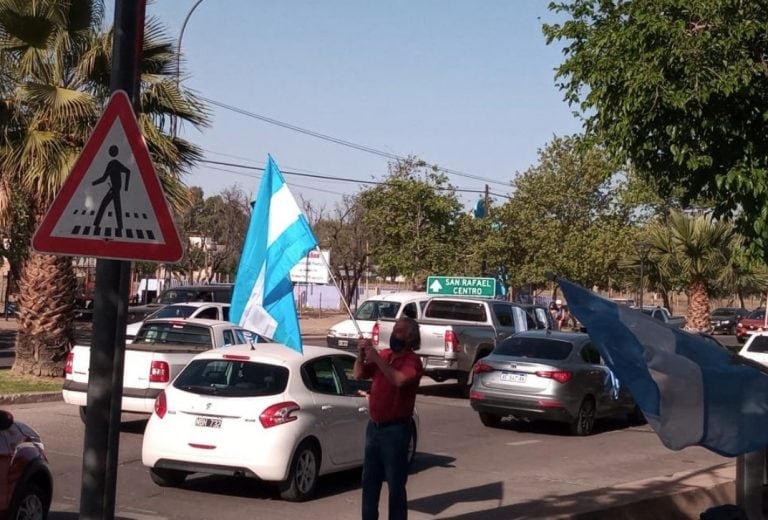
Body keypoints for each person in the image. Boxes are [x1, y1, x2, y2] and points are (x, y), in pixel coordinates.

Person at [354, 316, 423, 520]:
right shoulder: (385, 354)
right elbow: (358, 374)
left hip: (396, 430)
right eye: (394, 329)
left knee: (395, 485)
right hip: (374, 427)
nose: (394, 334)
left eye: (400, 331)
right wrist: (361, 354)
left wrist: (377, 358)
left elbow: (399, 380)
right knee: (369, 482)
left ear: (410, 337)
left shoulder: (412, 361)